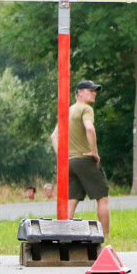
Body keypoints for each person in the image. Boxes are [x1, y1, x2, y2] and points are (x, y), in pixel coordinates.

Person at [50, 80, 110, 237]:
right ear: (79, 92)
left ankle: (64, 234)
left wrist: (62, 158)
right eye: (90, 90)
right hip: (84, 159)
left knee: (72, 200)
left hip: (69, 163)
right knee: (102, 197)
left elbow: (54, 136)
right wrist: (94, 152)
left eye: (95, 90)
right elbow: (90, 128)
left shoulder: (68, 110)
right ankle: (105, 235)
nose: (94, 93)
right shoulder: (86, 109)